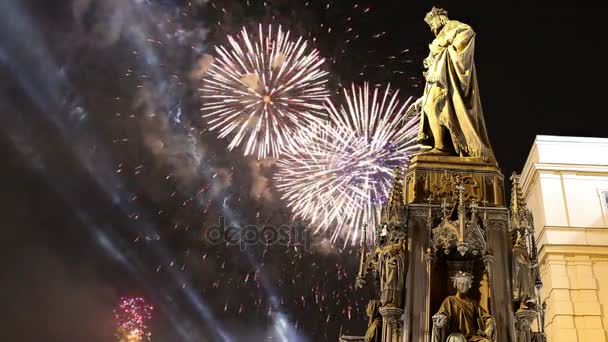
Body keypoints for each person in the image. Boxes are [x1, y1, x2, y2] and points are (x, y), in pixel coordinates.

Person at [406, 7, 497, 164]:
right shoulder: (437, 59)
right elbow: (434, 81)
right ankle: (441, 145)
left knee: (433, 106)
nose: (432, 28)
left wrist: (440, 47)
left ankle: (442, 147)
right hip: (438, 80)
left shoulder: (454, 27)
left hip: (448, 80)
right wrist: (419, 101)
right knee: (428, 106)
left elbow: (467, 33)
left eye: (432, 23)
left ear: (440, 19)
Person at [432, 271, 495, 342]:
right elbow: (443, 315)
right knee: (457, 339)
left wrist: (489, 327)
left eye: (465, 283)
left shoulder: (473, 303)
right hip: (456, 334)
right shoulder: (450, 300)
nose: (463, 286)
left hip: (473, 337)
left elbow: (486, 317)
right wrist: (440, 319)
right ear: (455, 284)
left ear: (469, 285)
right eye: (460, 283)